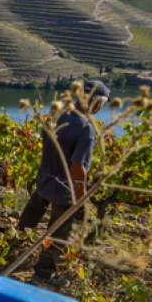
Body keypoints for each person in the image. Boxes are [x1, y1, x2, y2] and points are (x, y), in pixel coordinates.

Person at [17, 80, 110, 288]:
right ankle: (43, 273)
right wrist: (80, 197)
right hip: (65, 189)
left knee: (29, 218)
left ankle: (12, 251)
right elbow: (78, 167)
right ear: (97, 104)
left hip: (44, 179)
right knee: (58, 233)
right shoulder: (86, 128)